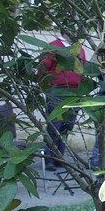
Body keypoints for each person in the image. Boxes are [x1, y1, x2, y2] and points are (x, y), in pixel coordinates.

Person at [37, 31, 86, 171]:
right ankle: (50, 158)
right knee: (54, 124)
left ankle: (60, 156)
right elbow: (43, 67)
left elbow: (82, 68)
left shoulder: (79, 49)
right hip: (57, 89)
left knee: (67, 125)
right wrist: (45, 86)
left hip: (75, 90)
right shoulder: (53, 47)